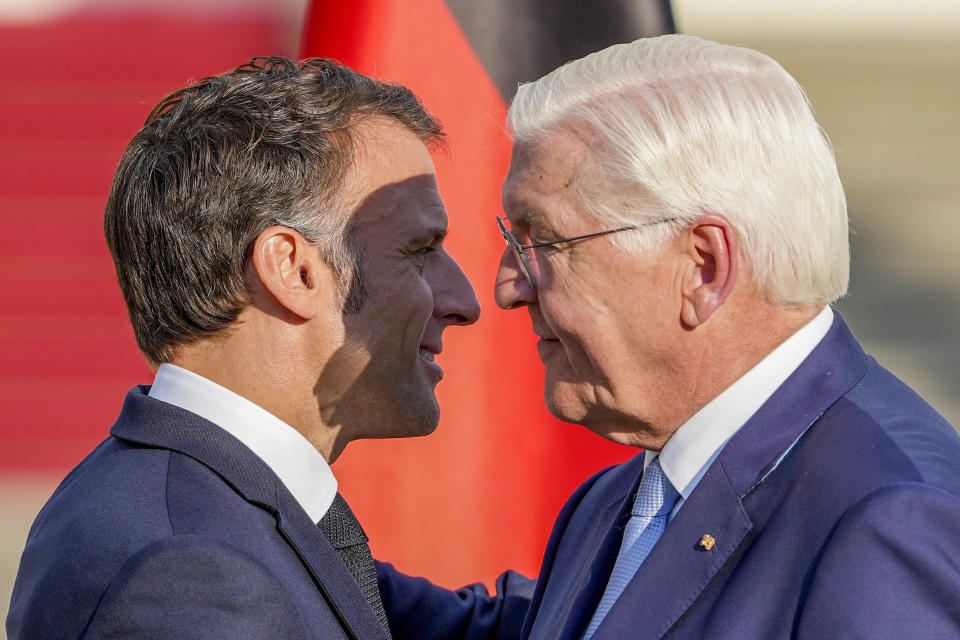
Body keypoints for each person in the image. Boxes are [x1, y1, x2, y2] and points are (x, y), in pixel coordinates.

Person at [6, 57, 533, 640]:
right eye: (418, 250)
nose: (464, 300)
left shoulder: (214, 508)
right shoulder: (193, 571)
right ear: (292, 270)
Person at [481, 34, 960, 638]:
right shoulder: (618, 499)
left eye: (543, 242)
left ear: (704, 267)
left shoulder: (888, 524)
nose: (508, 285)